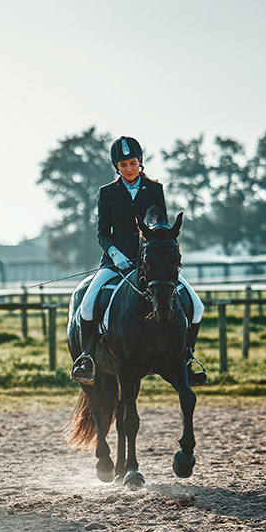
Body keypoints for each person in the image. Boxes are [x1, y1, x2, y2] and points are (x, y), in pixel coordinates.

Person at [70, 136, 207, 386]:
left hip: (154, 264)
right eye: (123, 165)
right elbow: (103, 233)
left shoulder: (155, 190)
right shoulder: (107, 193)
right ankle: (87, 358)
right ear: (117, 167)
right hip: (116, 262)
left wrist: (157, 252)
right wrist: (116, 255)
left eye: (132, 163)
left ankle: (187, 358)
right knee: (88, 306)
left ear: (140, 162)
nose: (129, 168)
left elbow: (162, 225)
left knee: (196, 306)